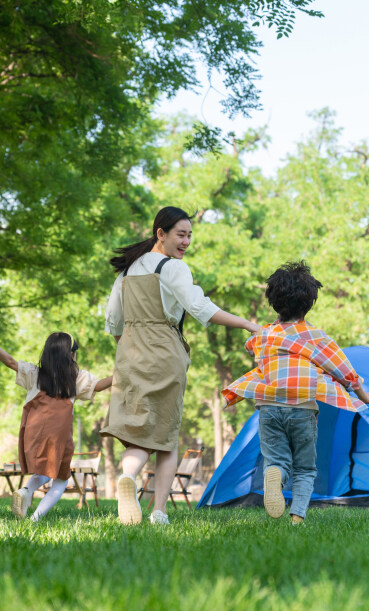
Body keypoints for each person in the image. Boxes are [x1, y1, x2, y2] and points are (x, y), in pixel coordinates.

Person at [101, 206, 261, 525]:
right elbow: (200, 307)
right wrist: (247, 324)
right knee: (166, 433)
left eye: (189, 236)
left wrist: (131, 348)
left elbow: (113, 321)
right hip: (164, 351)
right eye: (181, 235)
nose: (186, 242)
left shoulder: (126, 272)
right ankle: (159, 512)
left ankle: (128, 476)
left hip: (129, 353)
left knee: (137, 432)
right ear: (161, 234)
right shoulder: (173, 268)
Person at [222, 260, 369, 525]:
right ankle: (297, 519)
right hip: (302, 408)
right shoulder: (315, 336)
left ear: (273, 301)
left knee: (276, 460)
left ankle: (275, 474)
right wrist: (363, 394)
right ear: (309, 303)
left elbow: (250, 345)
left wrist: (268, 331)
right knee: (305, 468)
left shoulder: (265, 335)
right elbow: (341, 367)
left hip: (268, 408)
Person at [0, 332, 112, 521]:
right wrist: (122, 374)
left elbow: (10, 362)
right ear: (70, 354)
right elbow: (99, 385)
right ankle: (35, 518)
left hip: (33, 430)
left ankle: (26, 490)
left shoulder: (35, 374)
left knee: (46, 469)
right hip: (58, 434)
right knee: (61, 480)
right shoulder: (75, 378)